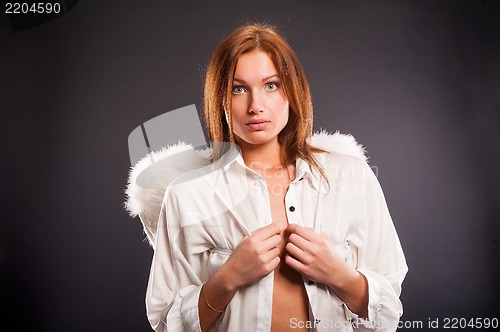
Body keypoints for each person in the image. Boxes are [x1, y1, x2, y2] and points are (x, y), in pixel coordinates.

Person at [127, 23, 407, 332]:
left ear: (293, 91)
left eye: (271, 85)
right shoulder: (187, 194)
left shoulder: (351, 177)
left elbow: (388, 312)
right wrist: (229, 276)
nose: (255, 106)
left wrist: (338, 274)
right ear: (219, 99)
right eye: (238, 88)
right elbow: (167, 323)